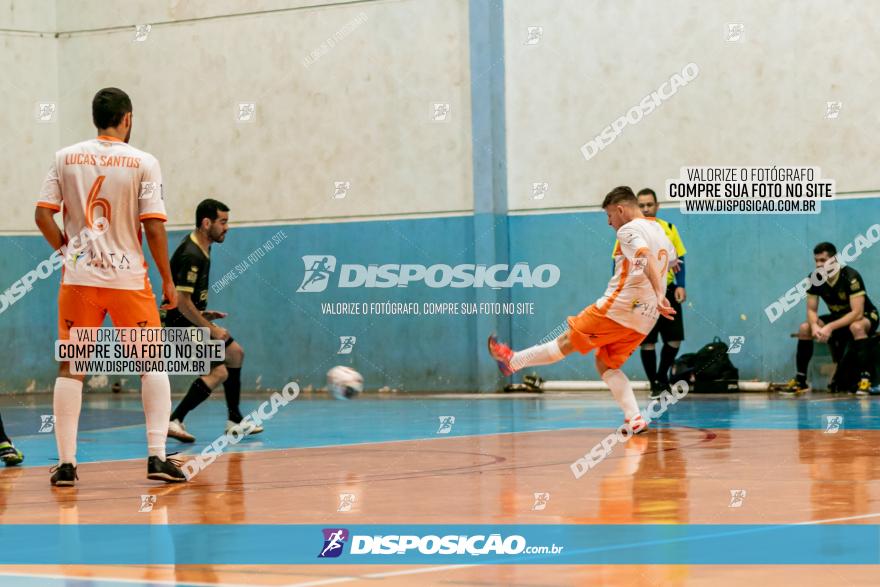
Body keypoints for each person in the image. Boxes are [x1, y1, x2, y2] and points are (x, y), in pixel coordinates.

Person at [34, 87, 186, 486]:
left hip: (80, 280)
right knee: (151, 364)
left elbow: (42, 215)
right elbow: (153, 225)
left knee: (72, 369)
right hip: (127, 281)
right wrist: (168, 279)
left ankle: (67, 465)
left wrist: (68, 250)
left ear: (95, 117)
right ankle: (156, 457)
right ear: (128, 118)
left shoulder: (64, 158)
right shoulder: (144, 162)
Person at [488, 186, 676, 431]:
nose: (609, 222)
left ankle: (513, 361)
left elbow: (645, 257)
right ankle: (635, 418)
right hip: (646, 318)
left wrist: (660, 293)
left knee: (568, 339)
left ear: (620, 209)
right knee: (606, 364)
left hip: (618, 308)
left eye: (609, 216)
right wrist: (657, 293)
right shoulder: (660, 229)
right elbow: (671, 262)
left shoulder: (629, 230)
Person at [165, 199, 262, 442]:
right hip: (180, 325)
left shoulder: (204, 247)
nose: (227, 227)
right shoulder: (191, 255)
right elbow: (182, 302)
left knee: (235, 353)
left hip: (190, 319)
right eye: (223, 222)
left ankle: (235, 421)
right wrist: (210, 328)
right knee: (219, 372)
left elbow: (187, 301)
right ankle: (174, 420)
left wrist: (204, 314)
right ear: (206, 223)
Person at [616, 188, 688, 398]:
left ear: (657, 206)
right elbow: (618, 263)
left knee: (674, 339)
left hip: (667, 291)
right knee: (647, 340)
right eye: (642, 205)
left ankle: (661, 377)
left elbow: (680, 260)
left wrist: (681, 285)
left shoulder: (669, 229)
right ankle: (654, 384)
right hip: (641, 293)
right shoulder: (627, 231)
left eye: (650, 204)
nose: (646, 209)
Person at [784, 242, 879, 395]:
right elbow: (811, 310)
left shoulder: (851, 277)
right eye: (816, 260)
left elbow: (857, 313)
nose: (818, 264)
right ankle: (801, 380)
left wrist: (829, 327)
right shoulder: (815, 278)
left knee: (857, 327)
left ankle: (865, 380)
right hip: (838, 318)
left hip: (866, 316)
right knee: (805, 328)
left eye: (823, 260)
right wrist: (815, 326)